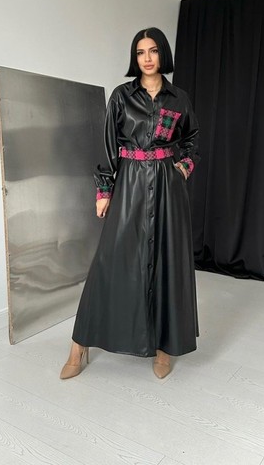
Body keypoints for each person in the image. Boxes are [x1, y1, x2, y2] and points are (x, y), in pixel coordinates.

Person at [60, 27, 200, 380]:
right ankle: (79, 345)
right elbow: (109, 144)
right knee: (109, 263)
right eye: (140, 52)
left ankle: (165, 347)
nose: (147, 58)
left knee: (167, 263)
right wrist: (104, 190)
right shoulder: (122, 96)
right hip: (130, 183)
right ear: (134, 58)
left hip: (167, 186)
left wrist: (183, 167)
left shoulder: (178, 99)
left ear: (163, 54)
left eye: (153, 51)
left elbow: (192, 139)